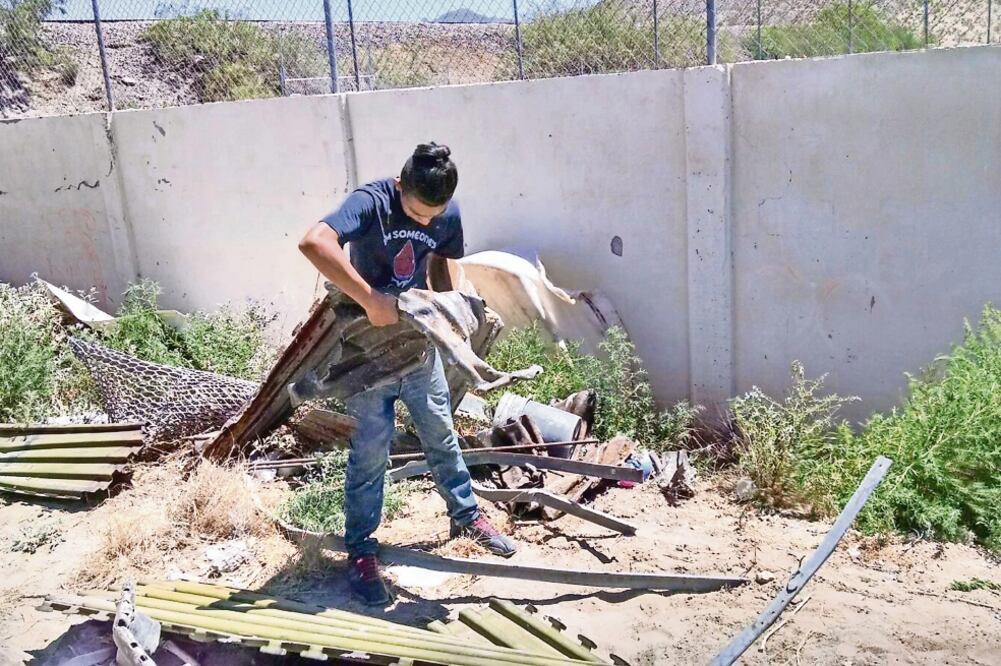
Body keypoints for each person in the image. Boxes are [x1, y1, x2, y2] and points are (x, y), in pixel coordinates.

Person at [298, 142, 516, 606]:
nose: (423, 223)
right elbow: (314, 242)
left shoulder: (445, 212)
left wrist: (446, 311)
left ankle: (466, 517)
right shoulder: (370, 202)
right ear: (400, 186)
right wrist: (370, 299)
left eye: (431, 217)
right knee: (370, 454)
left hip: (417, 349)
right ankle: (361, 552)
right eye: (416, 213)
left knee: (441, 434)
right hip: (366, 354)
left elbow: (442, 258)